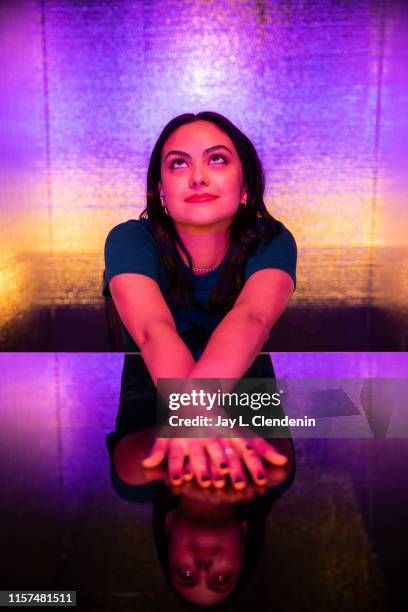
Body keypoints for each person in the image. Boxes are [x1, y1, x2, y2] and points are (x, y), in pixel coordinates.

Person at [103, 111, 297, 489]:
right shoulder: (128, 239)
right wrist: (199, 416)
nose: (198, 177)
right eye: (179, 164)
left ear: (245, 189)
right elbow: (152, 330)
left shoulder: (271, 239)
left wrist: (194, 415)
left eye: (217, 159)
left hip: (249, 398)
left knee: (275, 474)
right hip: (149, 399)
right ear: (161, 190)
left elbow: (252, 318)